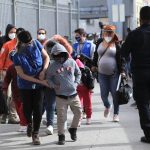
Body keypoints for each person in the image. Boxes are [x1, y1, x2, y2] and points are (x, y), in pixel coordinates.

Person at [11, 30, 49, 145]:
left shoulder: (36, 43)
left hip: (39, 83)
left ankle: (35, 134)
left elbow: (46, 57)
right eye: (27, 43)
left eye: (30, 41)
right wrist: (39, 81)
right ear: (21, 42)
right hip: (25, 85)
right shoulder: (16, 54)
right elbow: (21, 75)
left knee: (38, 108)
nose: (30, 44)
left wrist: (44, 70)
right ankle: (29, 123)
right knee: (27, 109)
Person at [121, 6, 150, 143]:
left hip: (140, 73)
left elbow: (124, 53)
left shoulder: (134, 34)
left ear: (140, 18)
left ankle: (149, 134)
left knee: (143, 103)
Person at [44, 43, 82, 145]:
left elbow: (78, 73)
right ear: (53, 56)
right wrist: (53, 85)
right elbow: (48, 78)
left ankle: (73, 129)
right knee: (61, 118)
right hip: (60, 97)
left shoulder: (72, 62)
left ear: (65, 54)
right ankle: (61, 136)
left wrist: (76, 83)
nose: (59, 59)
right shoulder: (52, 66)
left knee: (79, 113)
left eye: (61, 56)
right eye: (56, 57)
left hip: (73, 94)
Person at [92, 25, 126, 122]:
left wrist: (122, 71)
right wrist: (93, 65)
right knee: (103, 95)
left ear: (114, 33)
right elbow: (95, 55)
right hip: (101, 73)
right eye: (106, 31)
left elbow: (121, 58)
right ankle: (107, 106)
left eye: (110, 32)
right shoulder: (99, 42)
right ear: (103, 32)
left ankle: (116, 114)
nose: (108, 33)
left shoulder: (116, 43)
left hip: (114, 74)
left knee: (115, 94)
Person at [0, 27, 23, 124]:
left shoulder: (25, 45)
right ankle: (4, 115)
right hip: (6, 72)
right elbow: (1, 59)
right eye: (13, 32)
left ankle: (12, 116)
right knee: (6, 95)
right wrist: (1, 71)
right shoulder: (7, 45)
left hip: (20, 73)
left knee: (15, 95)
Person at [2, 64, 27, 132]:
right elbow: (7, 79)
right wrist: (5, 88)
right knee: (18, 108)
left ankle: (23, 124)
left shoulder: (27, 64)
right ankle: (24, 122)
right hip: (16, 91)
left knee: (23, 108)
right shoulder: (11, 67)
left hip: (26, 90)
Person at [76, 59, 94, 125]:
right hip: (77, 89)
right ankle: (78, 119)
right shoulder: (72, 68)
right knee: (78, 104)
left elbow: (91, 79)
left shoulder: (86, 69)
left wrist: (91, 88)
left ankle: (88, 117)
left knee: (88, 104)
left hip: (86, 89)